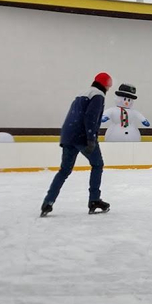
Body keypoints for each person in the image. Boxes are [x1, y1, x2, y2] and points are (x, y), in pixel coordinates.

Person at [41, 73, 113, 217]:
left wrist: (67, 137)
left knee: (64, 170)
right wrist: (91, 138)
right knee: (97, 165)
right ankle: (94, 199)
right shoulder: (98, 95)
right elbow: (90, 117)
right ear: (105, 85)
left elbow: (73, 115)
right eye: (109, 85)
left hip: (68, 136)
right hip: (82, 136)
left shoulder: (81, 94)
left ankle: (48, 202)